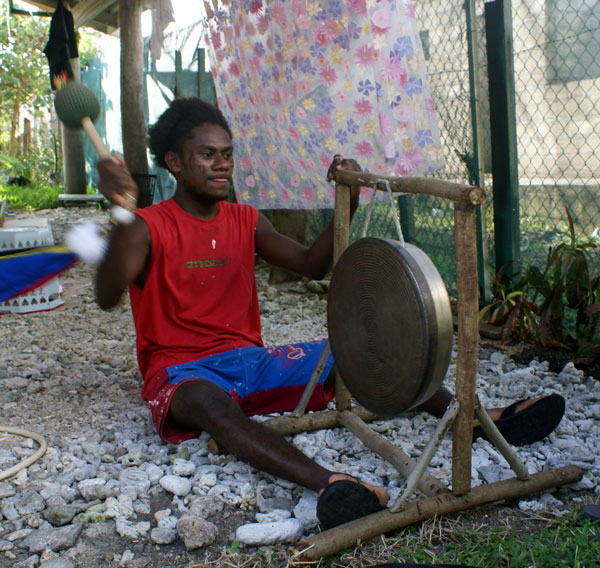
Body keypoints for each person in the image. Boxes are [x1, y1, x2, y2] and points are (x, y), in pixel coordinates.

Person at [94, 97, 565, 530]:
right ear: (174, 162)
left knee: (355, 351)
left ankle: (481, 420)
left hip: (250, 362)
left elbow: (309, 264)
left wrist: (351, 200)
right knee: (210, 404)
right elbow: (107, 295)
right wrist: (121, 212)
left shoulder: (246, 219)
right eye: (207, 154)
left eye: (227, 153)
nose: (222, 164)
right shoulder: (146, 227)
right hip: (181, 373)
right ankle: (330, 483)